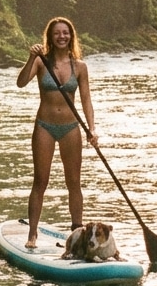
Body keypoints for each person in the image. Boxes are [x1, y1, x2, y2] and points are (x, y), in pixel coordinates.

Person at [16, 16, 98, 248]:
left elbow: (86, 99)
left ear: (71, 36)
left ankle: (78, 232)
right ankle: (32, 233)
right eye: (57, 33)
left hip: (71, 128)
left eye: (66, 33)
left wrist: (92, 129)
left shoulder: (80, 67)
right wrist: (31, 57)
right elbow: (21, 82)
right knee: (40, 181)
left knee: (74, 182)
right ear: (50, 38)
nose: (62, 36)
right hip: (45, 127)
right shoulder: (41, 62)